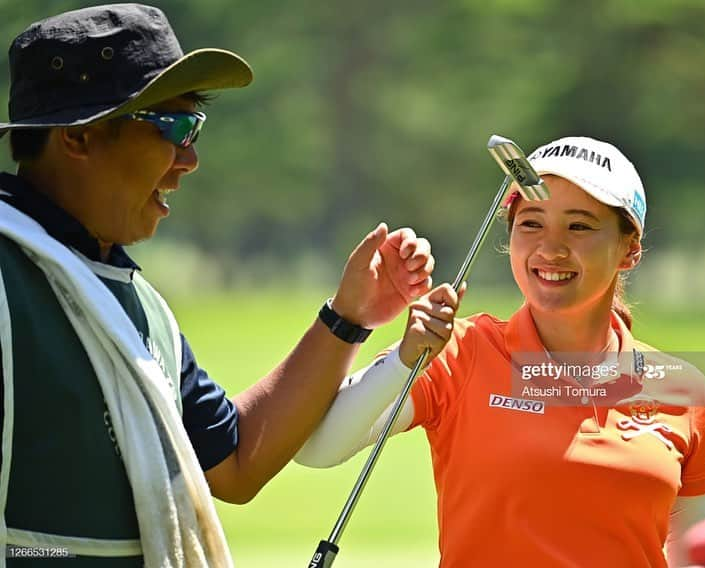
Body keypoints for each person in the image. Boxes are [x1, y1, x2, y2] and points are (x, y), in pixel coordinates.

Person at [0, 4, 434, 566]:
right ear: (79, 137)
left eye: (194, 127)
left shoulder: (135, 303)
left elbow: (233, 463)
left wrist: (349, 317)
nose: (191, 159)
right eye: (171, 127)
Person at [297, 135, 705, 567]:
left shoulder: (680, 390)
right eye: (531, 223)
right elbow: (317, 449)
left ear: (629, 249)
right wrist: (402, 361)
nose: (551, 248)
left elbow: (697, 556)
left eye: (579, 226)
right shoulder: (458, 353)